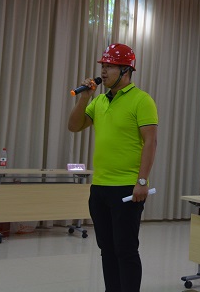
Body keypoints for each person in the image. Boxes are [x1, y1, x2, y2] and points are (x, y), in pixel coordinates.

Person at [67, 43, 158, 292]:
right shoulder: (99, 101)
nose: (104, 71)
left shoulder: (142, 100)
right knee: (106, 249)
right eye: (103, 66)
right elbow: (74, 126)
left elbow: (151, 142)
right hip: (100, 188)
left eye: (110, 66)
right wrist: (84, 98)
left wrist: (142, 181)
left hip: (127, 189)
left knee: (125, 250)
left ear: (126, 70)